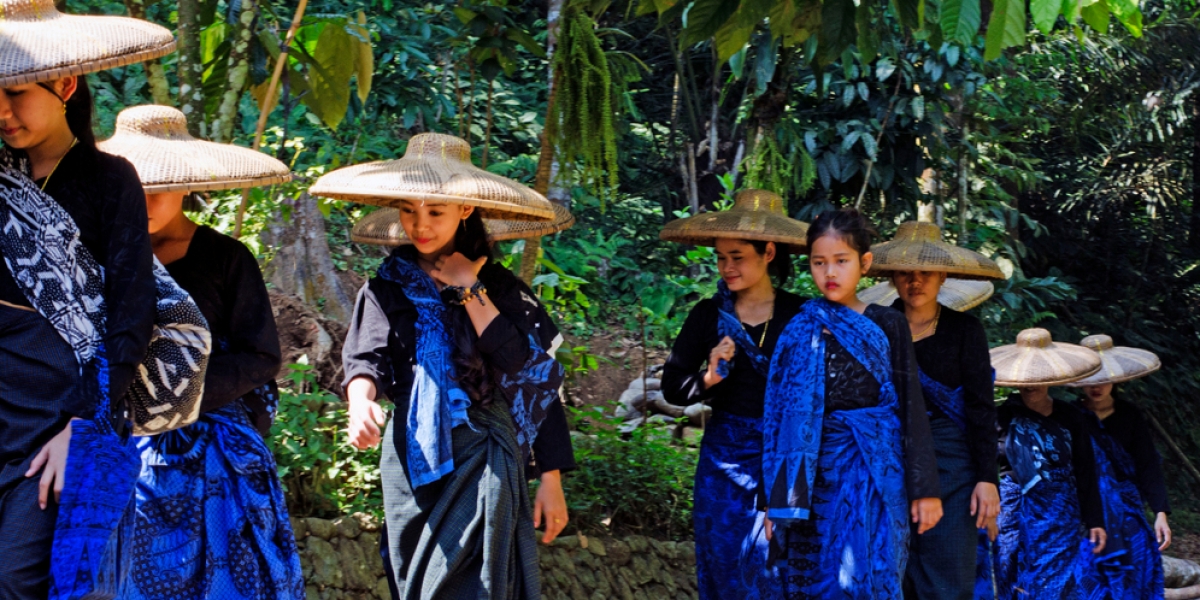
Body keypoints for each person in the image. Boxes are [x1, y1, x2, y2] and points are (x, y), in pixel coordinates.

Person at [320, 133, 575, 599]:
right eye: (408, 210)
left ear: (464, 209)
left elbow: (530, 374)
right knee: (413, 584)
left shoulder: (501, 288)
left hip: (485, 454)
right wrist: (360, 404)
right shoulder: (385, 287)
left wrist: (468, 287)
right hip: (410, 458)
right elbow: (364, 360)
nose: (420, 225)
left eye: (435, 211)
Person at [95, 104, 305, 599]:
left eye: (159, 186)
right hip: (120, 438)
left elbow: (261, 355)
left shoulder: (226, 258)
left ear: (186, 183)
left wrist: (180, 398)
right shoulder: (100, 255)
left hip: (215, 448)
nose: (145, 200)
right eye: (133, 186)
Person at [0, 3, 171, 594]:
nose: (2, 110)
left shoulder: (109, 180)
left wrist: (84, 424)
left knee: (20, 578)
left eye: (16, 91)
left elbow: (131, 310)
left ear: (65, 84)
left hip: (62, 411)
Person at [762, 208, 943, 599]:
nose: (829, 273)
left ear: (864, 264)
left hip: (873, 472)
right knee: (816, 580)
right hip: (811, 480)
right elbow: (779, 419)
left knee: (869, 571)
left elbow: (910, 407)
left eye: (841, 262)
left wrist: (925, 489)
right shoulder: (799, 326)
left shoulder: (887, 323)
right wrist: (772, 502)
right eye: (819, 262)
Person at [659, 189, 809, 600]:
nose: (726, 267)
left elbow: (816, 403)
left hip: (786, 453)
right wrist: (708, 377)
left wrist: (793, 489)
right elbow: (673, 386)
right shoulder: (708, 315)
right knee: (721, 561)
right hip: (723, 457)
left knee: (779, 564)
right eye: (721, 258)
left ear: (769, 252)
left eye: (737, 257)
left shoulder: (804, 316)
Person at [866, 221, 1007, 600]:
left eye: (925, 272)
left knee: (947, 573)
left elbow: (981, 409)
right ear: (892, 277)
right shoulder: (875, 327)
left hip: (953, 467)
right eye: (905, 272)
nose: (915, 281)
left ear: (942, 276)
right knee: (890, 570)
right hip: (889, 460)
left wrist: (987, 478)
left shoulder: (965, 330)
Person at [990, 328, 1109, 599]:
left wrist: (1095, 520)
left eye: (1038, 378)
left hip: (1061, 513)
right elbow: (986, 468)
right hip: (1012, 512)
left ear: (1050, 379)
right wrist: (989, 513)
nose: (1031, 384)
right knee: (1010, 568)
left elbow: (1085, 469)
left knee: (1058, 579)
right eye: (1025, 379)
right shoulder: (1002, 416)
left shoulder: (1070, 416)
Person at [1067, 334, 1167, 599]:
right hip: (1084, 508)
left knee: (1136, 568)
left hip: (1126, 507)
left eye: (1103, 379)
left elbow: (1148, 465)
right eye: (1090, 380)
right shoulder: (1070, 416)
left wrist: (1160, 512)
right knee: (1087, 576)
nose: (1096, 387)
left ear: (1115, 379)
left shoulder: (1131, 416)